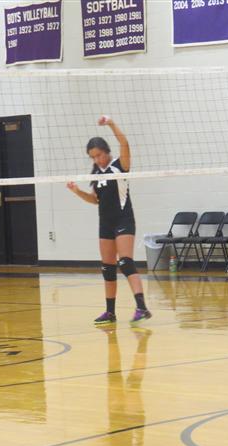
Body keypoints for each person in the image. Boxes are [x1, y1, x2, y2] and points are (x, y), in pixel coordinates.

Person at [66, 116, 152, 325]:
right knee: (107, 267)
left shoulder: (120, 165)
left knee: (126, 262)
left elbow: (124, 143)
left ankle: (141, 307)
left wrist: (111, 123)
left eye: (99, 155)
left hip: (124, 220)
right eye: (93, 157)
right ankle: (110, 312)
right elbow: (95, 200)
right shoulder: (96, 173)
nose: (97, 160)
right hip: (105, 223)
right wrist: (77, 192)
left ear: (106, 151)